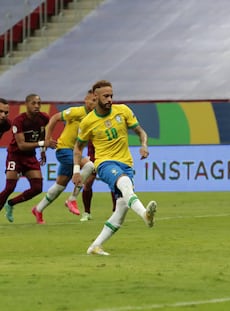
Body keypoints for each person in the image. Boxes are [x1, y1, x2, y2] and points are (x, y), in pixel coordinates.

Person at [73, 80, 157, 255]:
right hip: (104, 163)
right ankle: (145, 216)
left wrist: (144, 145)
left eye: (111, 95)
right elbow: (78, 148)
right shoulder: (88, 122)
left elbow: (140, 131)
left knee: (121, 208)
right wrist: (76, 171)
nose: (110, 99)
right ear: (95, 97)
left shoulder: (123, 111)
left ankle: (95, 246)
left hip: (126, 163)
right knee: (124, 183)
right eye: (105, 96)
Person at [31, 90, 97, 224]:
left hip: (75, 151)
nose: (94, 103)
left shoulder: (95, 118)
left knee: (59, 186)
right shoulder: (77, 111)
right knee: (89, 166)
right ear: (86, 100)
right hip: (64, 150)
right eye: (92, 100)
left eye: (96, 101)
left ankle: (38, 209)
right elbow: (55, 118)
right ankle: (72, 199)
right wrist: (47, 141)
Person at [0, 94, 57, 222]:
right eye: (33, 103)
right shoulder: (18, 121)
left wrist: (43, 151)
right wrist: (43, 144)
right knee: (10, 187)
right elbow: (21, 145)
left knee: (37, 188)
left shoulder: (43, 118)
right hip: (15, 155)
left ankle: (11, 204)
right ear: (26, 104)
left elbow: (43, 133)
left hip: (30, 156)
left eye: (39, 103)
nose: (36, 106)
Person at [80, 140, 117, 222]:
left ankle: (115, 212)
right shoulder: (91, 129)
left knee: (113, 182)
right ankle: (87, 213)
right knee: (88, 183)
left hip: (108, 156)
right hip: (93, 156)